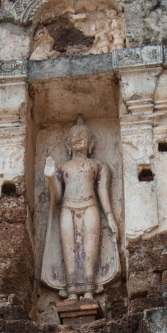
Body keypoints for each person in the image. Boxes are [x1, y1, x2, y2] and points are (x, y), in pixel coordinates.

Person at [41, 117, 119, 299]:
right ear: (68, 143)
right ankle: (72, 291)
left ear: (90, 142)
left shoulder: (98, 166)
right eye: (74, 136)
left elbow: (103, 192)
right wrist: (51, 177)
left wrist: (110, 217)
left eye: (82, 135)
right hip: (67, 208)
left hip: (90, 206)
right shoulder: (62, 167)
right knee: (69, 250)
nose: (78, 138)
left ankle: (89, 290)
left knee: (90, 248)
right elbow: (57, 198)